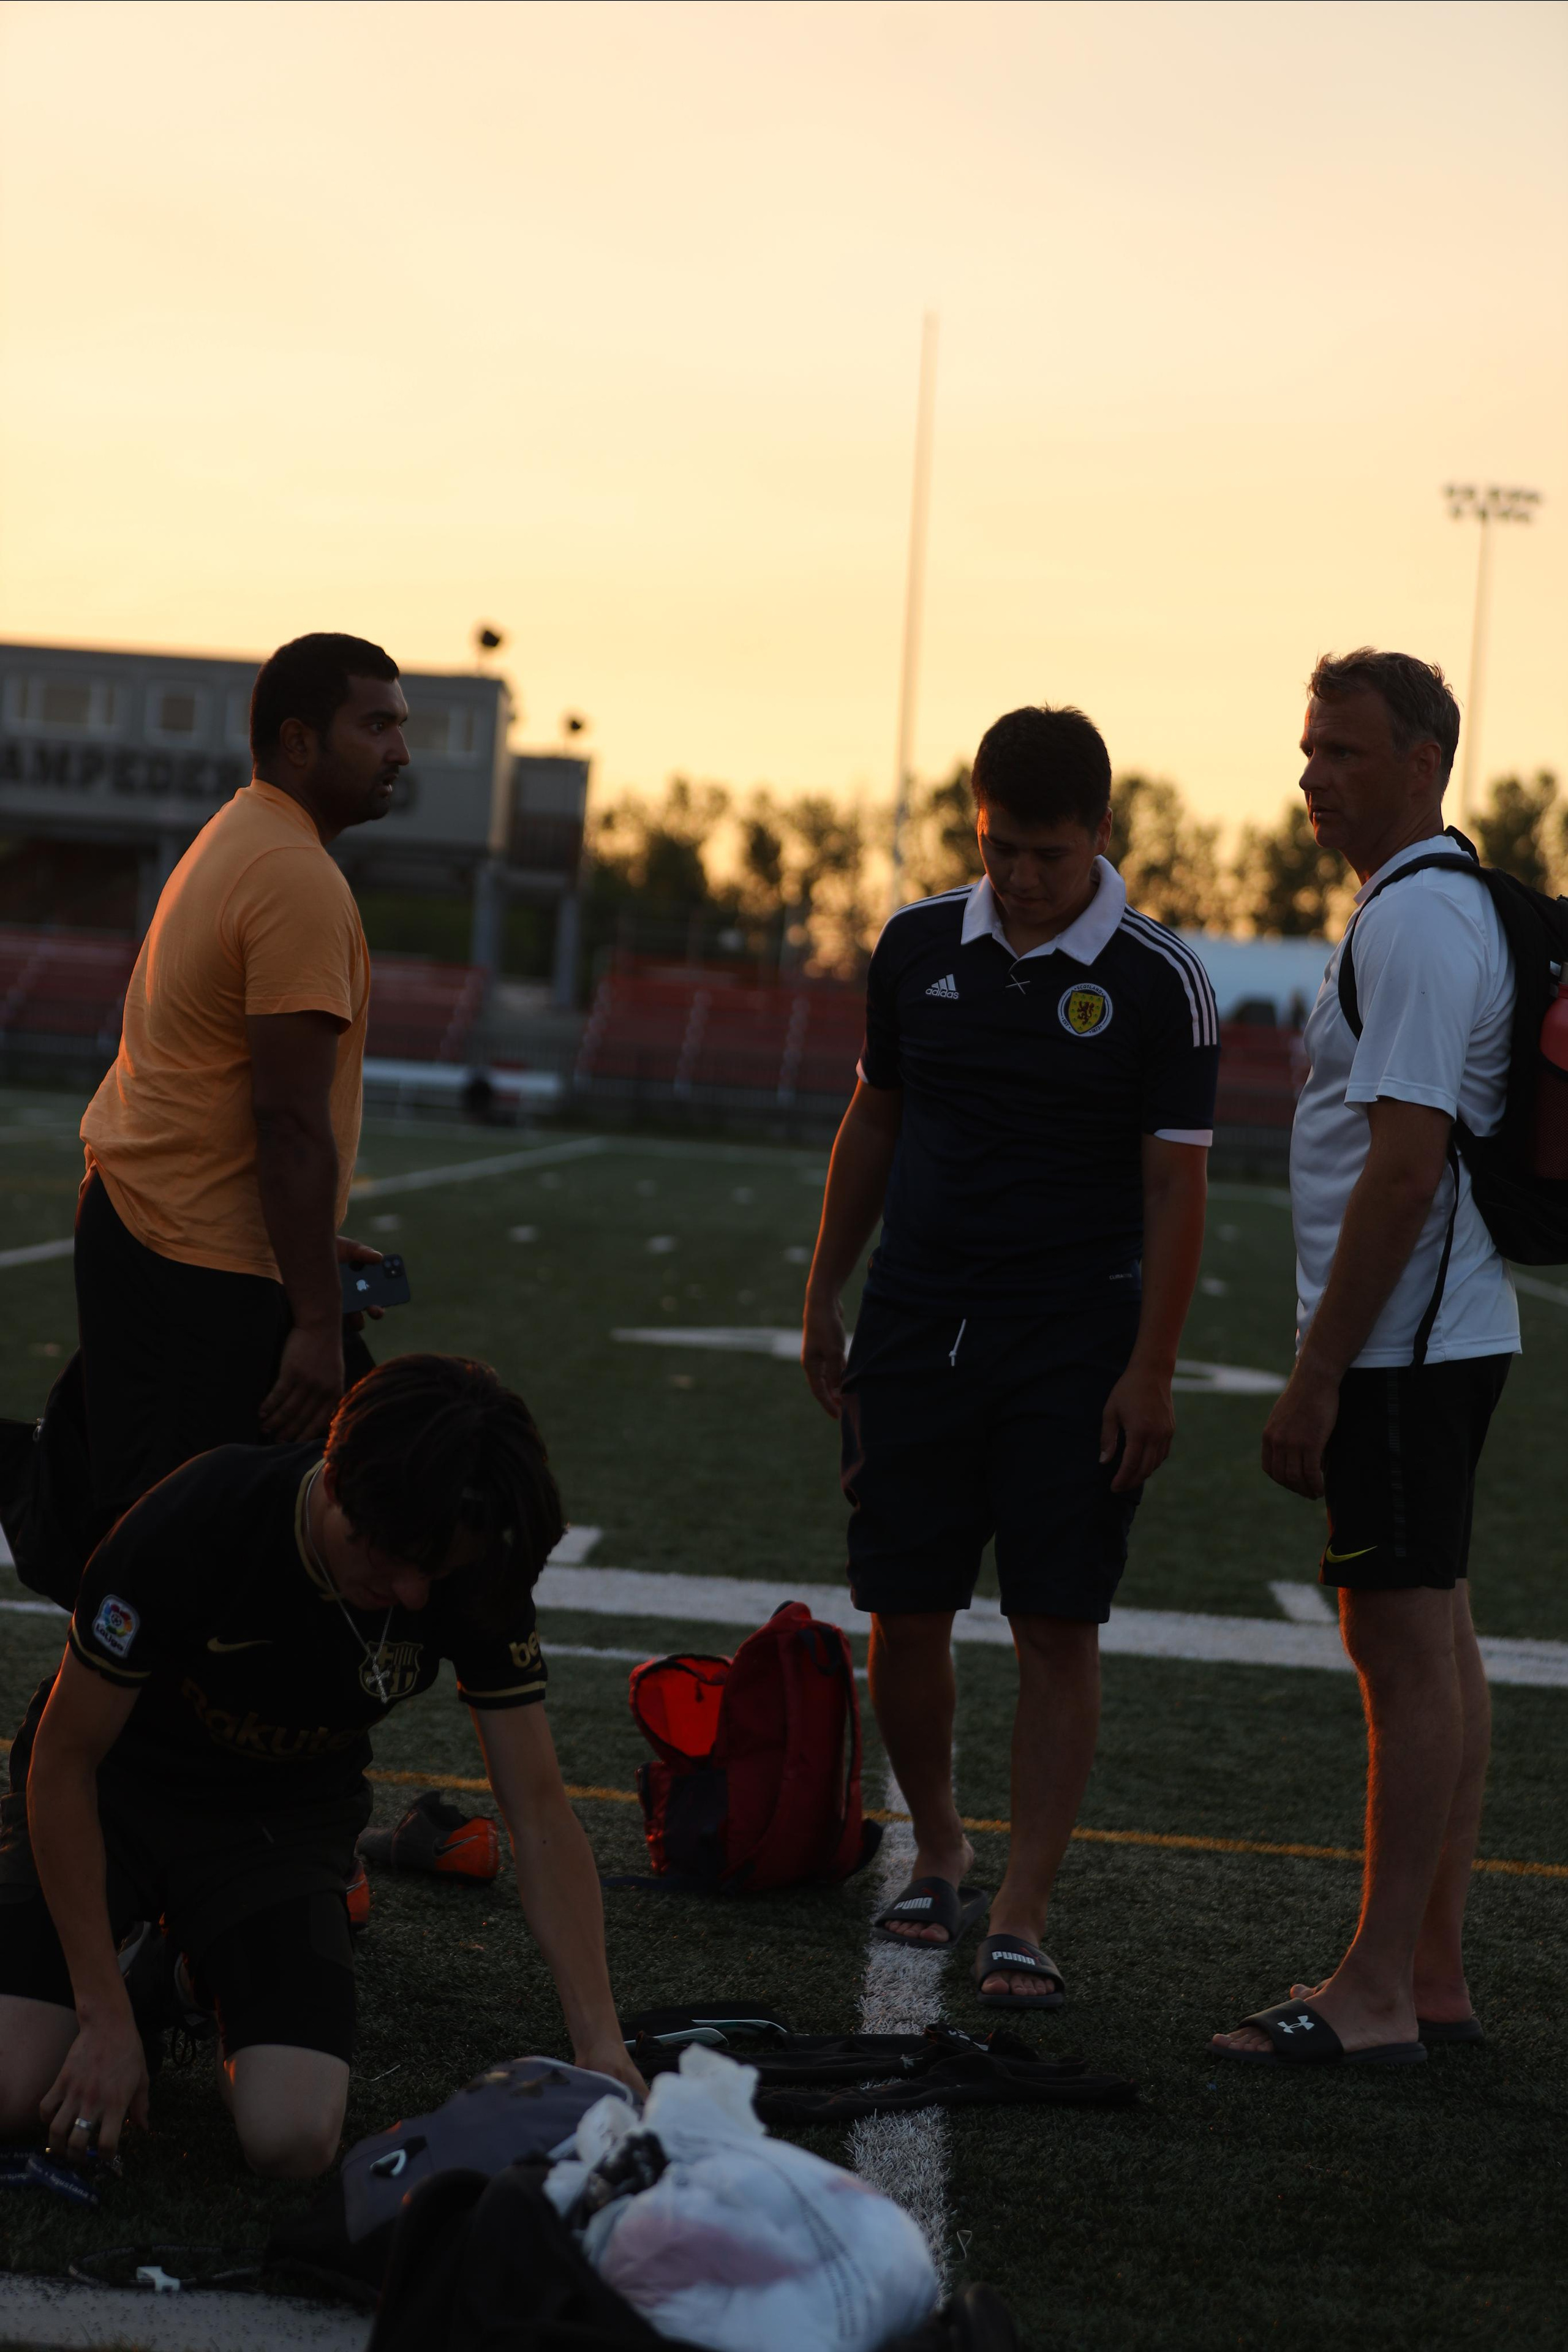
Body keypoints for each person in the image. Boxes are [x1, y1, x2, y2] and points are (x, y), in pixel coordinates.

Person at [802, 704, 1217, 2005]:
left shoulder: (1157, 980)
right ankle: (937, 1848)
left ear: (1099, 833)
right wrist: (823, 1293)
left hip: (1071, 1345)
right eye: (998, 849)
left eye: (1044, 852)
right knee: (901, 1607)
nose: (1021, 877)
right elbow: (875, 1115)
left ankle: (1025, 1907)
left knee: (1055, 1623)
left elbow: (1173, 1193)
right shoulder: (918, 944)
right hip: (917, 1325)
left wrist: (1149, 1369)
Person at [0, 1354, 646, 2178]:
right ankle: (118, 1972)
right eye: (389, 1559)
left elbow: (540, 1812)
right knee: (11, 2089)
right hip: (118, 1798)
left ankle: (188, 1974)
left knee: (293, 2142)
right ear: (336, 1485)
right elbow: (63, 1763)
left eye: (433, 1569)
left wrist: (599, 2039)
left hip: (278, 1825)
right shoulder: (196, 1519)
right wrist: (99, 2014)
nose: (414, 1595)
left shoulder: (463, 1548)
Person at [1213, 650, 1517, 2068]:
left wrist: (1317, 1372)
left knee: (1402, 1655)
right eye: (1306, 749)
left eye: (1340, 751)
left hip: (1400, 1344)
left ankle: (1378, 1990)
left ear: (1422, 761)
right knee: (1434, 1648)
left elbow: (1401, 1171)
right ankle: (1431, 1978)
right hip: (1434, 1333)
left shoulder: (1413, 926)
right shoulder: (1420, 910)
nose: (1309, 776)